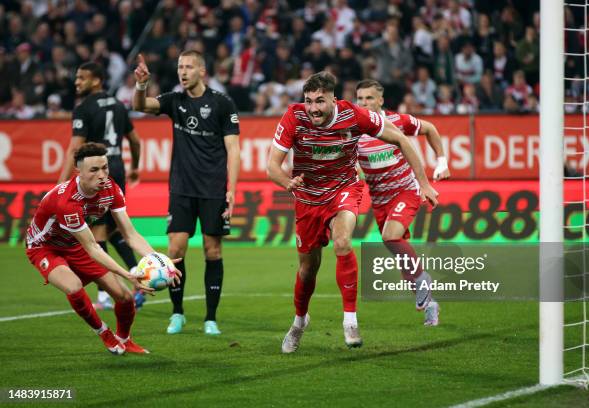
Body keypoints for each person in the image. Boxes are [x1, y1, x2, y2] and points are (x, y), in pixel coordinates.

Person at [266, 72, 439, 353]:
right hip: (308, 198)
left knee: (343, 241)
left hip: (343, 190)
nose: (313, 108)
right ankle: (299, 322)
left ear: (334, 100)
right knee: (308, 270)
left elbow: (402, 140)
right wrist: (288, 182)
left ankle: (350, 321)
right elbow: (272, 166)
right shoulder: (293, 117)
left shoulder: (354, 115)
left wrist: (424, 183)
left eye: (320, 101)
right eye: (308, 101)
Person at [25, 143, 180, 354]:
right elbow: (93, 248)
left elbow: (130, 234)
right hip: (45, 248)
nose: (102, 175)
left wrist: (162, 261)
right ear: (79, 171)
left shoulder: (111, 188)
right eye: (94, 170)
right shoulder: (67, 202)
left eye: (105, 168)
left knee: (125, 297)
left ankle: (124, 340)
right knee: (73, 286)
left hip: (75, 244)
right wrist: (127, 273)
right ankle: (103, 332)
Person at [132, 51, 240, 335]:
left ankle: (210, 318)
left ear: (202, 71)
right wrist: (141, 84)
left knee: (212, 250)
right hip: (181, 188)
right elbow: (140, 105)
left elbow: (234, 149)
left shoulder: (221, 103)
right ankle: (177, 313)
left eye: (189, 66)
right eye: (180, 66)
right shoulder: (174, 100)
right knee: (175, 251)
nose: (183, 71)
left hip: (213, 190)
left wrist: (233, 190)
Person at [355, 79, 451, 326]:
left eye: (369, 98)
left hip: (405, 191)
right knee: (401, 257)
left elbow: (430, 129)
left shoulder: (398, 122)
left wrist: (441, 162)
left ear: (380, 100)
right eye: (360, 98)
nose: (364, 103)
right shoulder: (353, 130)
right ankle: (431, 304)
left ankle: (423, 279)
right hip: (379, 199)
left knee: (390, 236)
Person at [58, 61, 144, 311]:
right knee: (115, 231)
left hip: (96, 171)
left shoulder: (84, 108)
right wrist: (135, 166)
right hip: (116, 167)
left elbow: (75, 148)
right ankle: (138, 277)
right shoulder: (118, 105)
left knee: (96, 235)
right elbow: (135, 141)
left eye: (82, 78)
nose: (77, 82)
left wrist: (60, 184)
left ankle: (107, 294)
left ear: (96, 80)